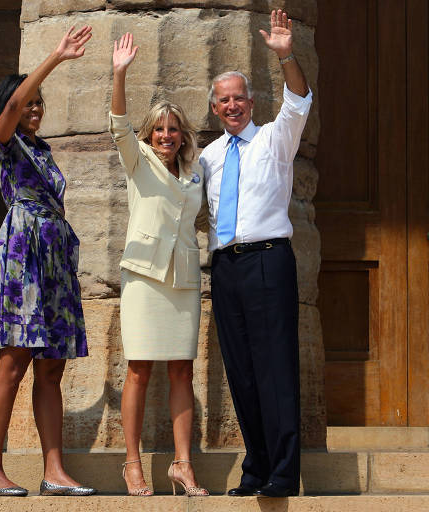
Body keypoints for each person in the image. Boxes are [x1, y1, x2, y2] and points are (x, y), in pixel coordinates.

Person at [199, 10, 312, 498]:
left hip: (268, 260)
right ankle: (256, 466)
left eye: (238, 97)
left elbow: (299, 101)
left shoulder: (274, 138)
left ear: (250, 101)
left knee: (275, 367)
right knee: (241, 371)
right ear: (214, 109)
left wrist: (286, 55)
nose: (232, 106)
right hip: (225, 266)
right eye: (223, 100)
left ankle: (284, 472)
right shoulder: (208, 156)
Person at [0, 26, 95, 497]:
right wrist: (55, 57)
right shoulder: (1, 141)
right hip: (22, 256)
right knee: (15, 360)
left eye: (39, 102)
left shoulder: (43, 150)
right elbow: (9, 110)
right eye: (29, 101)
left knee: (52, 366)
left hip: (54, 259)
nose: (34, 108)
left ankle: (55, 471)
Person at [110, 33, 208, 497]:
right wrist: (119, 73)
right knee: (138, 370)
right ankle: (132, 464)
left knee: (182, 370)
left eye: (173, 129)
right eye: (159, 130)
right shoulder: (139, 161)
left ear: (182, 134)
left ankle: (183, 465)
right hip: (144, 278)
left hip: (185, 279)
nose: (166, 136)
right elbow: (117, 125)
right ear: (150, 134)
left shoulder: (196, 171)